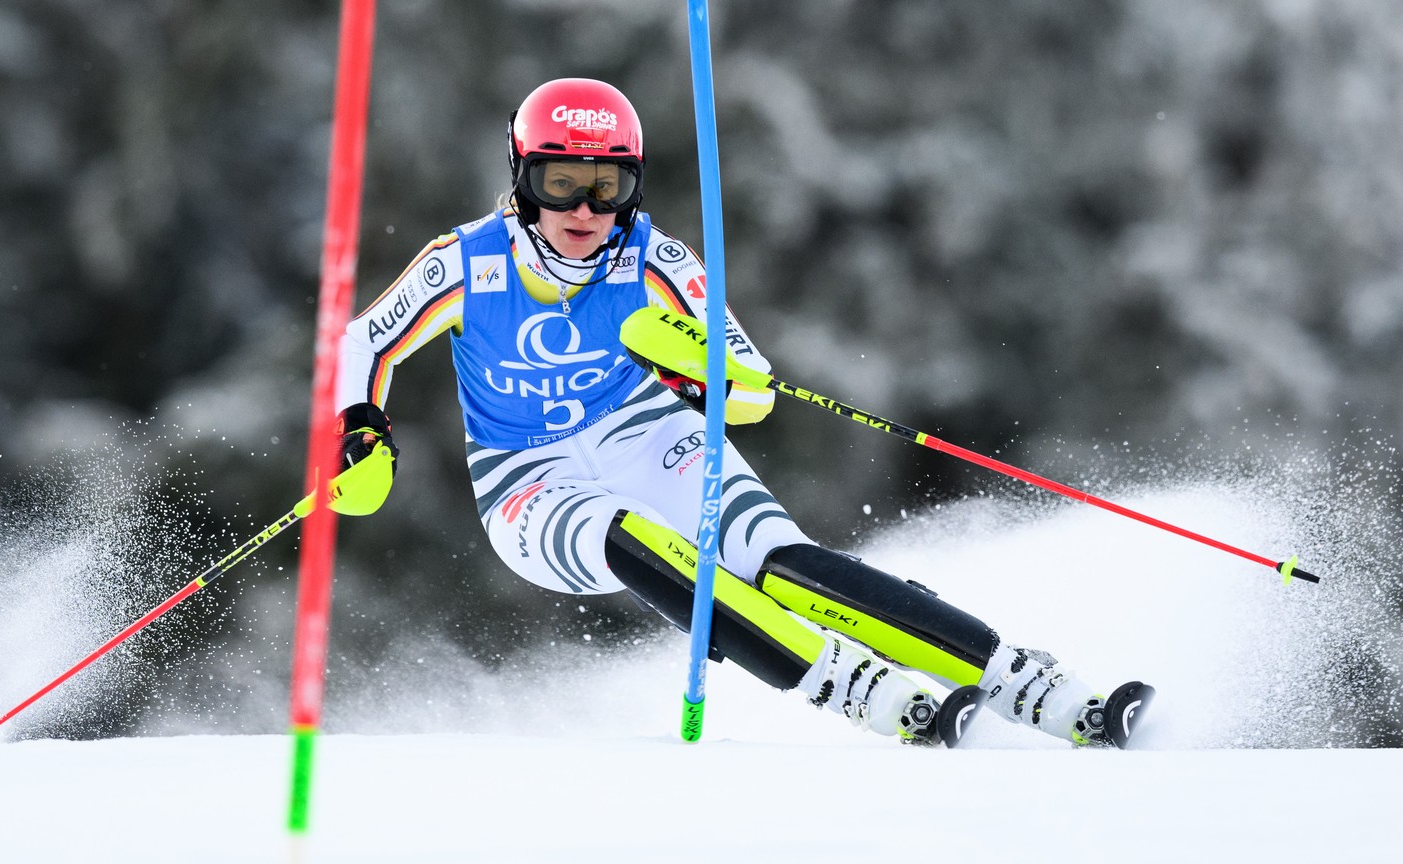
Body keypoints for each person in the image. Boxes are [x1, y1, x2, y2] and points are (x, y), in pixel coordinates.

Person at [334, 77, 1148, 747]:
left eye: (606, 187)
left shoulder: (656, 257)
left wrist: (699, 373)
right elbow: (365, 342)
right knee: (635, 540)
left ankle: (1036, 687)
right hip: (526, 480)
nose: (584, 211)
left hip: (647, 435)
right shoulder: (464, 262)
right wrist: (362, 432)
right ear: (521, 177)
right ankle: (855, 688)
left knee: (781, 563)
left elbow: (753, 387)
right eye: (560, 184)